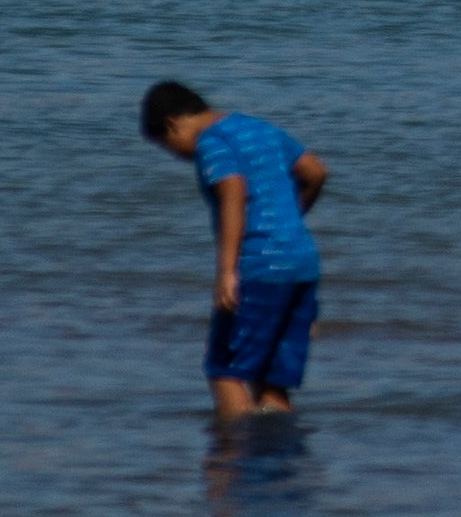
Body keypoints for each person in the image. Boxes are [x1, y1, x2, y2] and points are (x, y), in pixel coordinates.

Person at [139, 81, 329, 416]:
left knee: (225, 370)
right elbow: (315, 171)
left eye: (168, 147)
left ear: (172, 124)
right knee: (272, 379)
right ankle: (277, 446)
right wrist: (289, 220)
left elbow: (233, 191)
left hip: (260, 268)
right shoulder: (259, 129)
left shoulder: (211, 141)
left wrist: (227, 271)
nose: (178, 156)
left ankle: (236, 446)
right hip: (302, 264)